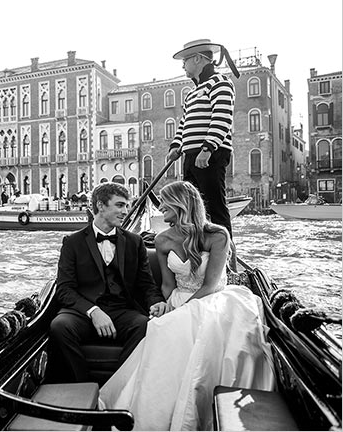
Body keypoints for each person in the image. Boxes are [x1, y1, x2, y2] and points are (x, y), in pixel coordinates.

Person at [99, 181, 274, 431]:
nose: (161, 210)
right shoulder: (162, 240)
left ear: (180, 204)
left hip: (215, 300)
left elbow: (211, 285)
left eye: (165, 204)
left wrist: (183, 311)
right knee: (164, 329)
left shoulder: (218, 236)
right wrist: (163, 306)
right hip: (179, 299)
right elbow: (167, 287)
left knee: (203, 330)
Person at [47, 182, 167, 383]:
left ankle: (117, 386)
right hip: (83, 312)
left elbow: (146, 284)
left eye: (127, 206)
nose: (125, 211)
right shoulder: (72, 242)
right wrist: (93, 311)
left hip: (122, 310)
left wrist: (156, 301)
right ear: (101, 206)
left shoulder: (134, 242)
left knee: (144, 325)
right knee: (60, 326)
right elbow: (65, 289)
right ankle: (83, 386)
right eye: (120, 205)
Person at [166, 39, 241, 268]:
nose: (183, 66)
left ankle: (227, 260)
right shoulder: (192, 93)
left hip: (209, 154)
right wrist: (175, 145)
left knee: (214, 207)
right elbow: (184, 123)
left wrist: (207, 148)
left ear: (198, 58)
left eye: (185, 61)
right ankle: (199, 255)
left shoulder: (220, 83)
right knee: (192, 209)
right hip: (190, 155)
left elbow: (222, 118)